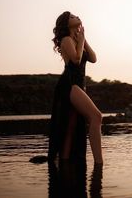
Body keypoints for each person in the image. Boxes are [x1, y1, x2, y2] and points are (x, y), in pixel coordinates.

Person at [48, 11, 103, 165]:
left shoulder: (78, 40)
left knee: (71, 125)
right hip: (69, 85)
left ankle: (64, 162)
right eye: (72, 17)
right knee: (97, 117)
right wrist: (81, 41)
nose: (76, 16)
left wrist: (83, 40)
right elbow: (76, 60)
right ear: (66, 24)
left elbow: (93, 58)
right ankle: (99, 163)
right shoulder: (66, 39)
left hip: (79, 85)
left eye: (75, 15)